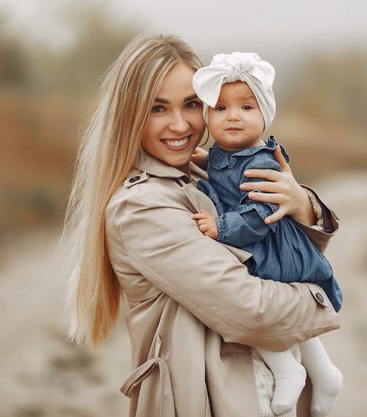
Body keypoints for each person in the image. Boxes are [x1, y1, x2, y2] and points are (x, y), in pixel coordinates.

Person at [61, 34, 340, 417]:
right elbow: (250, 310)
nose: (179, 125)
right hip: (208, 399)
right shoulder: (141, 207)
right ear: (130, 115)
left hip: (254, 392)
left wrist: (300, 205)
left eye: (191, 104)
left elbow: (278, 253)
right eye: (158, 108)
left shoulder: (200, 170)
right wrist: (320, 297)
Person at [191, 52, 343, 416]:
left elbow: (261, 214)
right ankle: (324, 372)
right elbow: (219, 175)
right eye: (222, 107)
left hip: (270, 246)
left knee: (259, 294)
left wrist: (221, 227)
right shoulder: (221, 155)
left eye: (246, 106)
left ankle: (286, 368)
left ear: (264, 115)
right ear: (208, 116)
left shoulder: (260, 160)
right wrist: (200, 161)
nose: (233, 115)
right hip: (266, 243)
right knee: (277, 304)